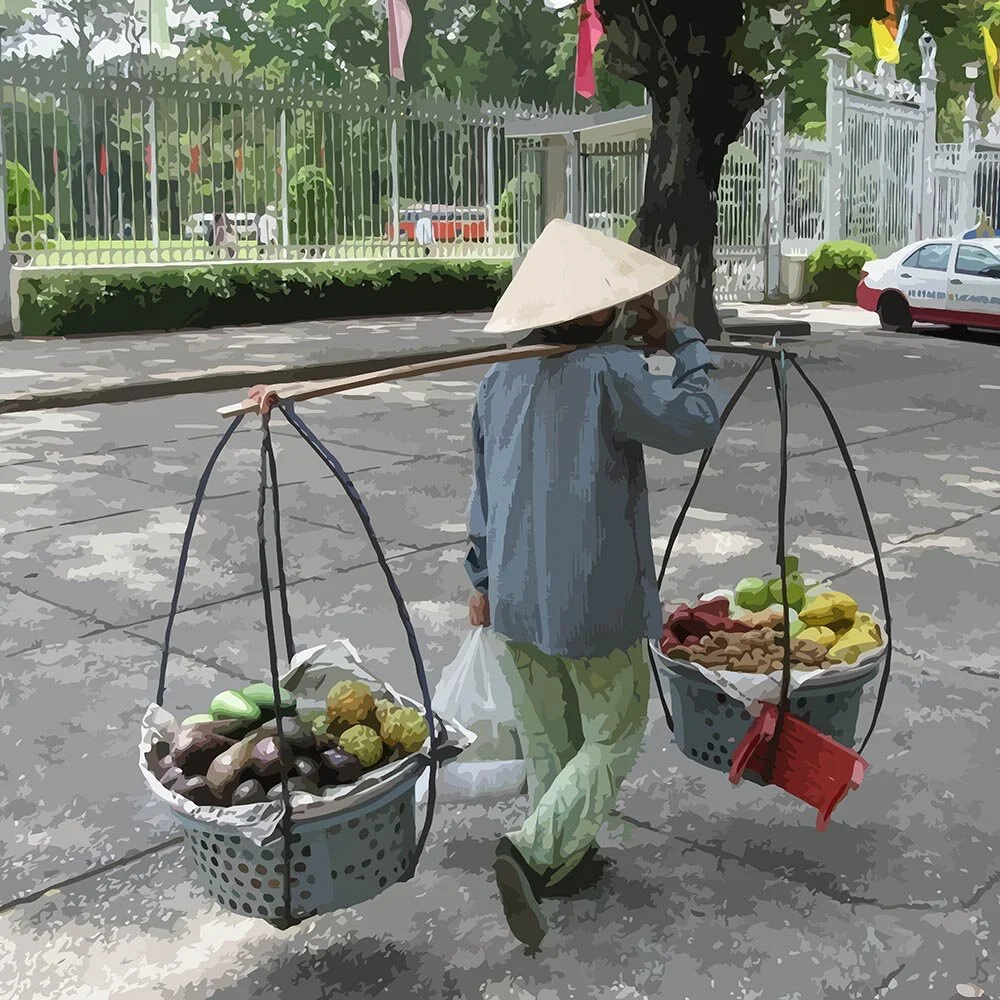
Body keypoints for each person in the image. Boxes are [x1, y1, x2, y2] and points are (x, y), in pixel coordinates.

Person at [464, 218, 721, 950]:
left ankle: (566, 862)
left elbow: (481, 496)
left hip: (513, 596)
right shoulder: (611, 374)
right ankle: (534, 848)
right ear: (602, 311)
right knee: (612, 732)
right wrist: (683, 344)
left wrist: (479, 577)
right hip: (595, 600)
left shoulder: (497, 380)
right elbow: (694, 420)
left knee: (552, 738)